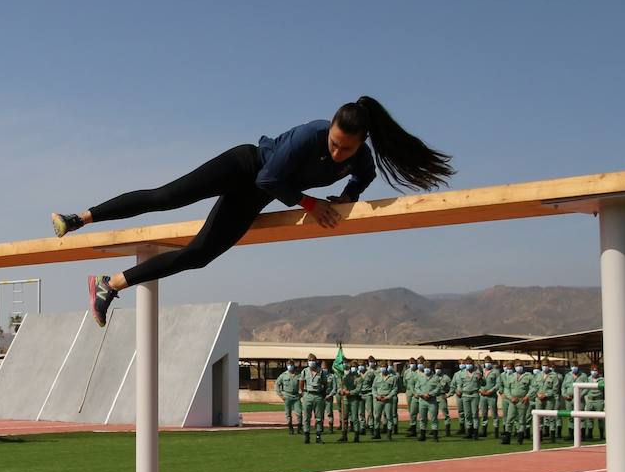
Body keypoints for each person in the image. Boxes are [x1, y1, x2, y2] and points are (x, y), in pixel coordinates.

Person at [50, 96, 454, 327]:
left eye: (345, 148)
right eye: (333, 143)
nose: (336, 152)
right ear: (328, 128)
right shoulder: (308, 135)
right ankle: (78, 218)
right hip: (246, 166)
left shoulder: (359, 158)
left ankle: (110, 284)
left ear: (361, 141)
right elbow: (268, 179)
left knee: (199, 255)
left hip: (256, 196)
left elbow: (361, 178)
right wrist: (311, 203)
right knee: (166, 197)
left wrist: (346, 197)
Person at [299, 354, 330, 444]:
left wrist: (323, 394)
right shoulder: (304, 371)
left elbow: (325, 383)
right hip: (308, 395)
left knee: (319, 417)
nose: (311, 362)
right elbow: (301, 383)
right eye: (309, 360)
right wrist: (303, 393)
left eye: (312, 360)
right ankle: (307, 435)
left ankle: (318, 436)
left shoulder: (321, 372)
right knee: (306, 417)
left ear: (316, 361)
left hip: (318, 396)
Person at [274, 360, 303, 436]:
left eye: (291, 365)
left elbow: (303, 384)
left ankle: (299, 428)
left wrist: (302, 392)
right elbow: (277, 385)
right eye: (288, 365)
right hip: (287, 395)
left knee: (299, 412)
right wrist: (281, 395)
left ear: (294, 365)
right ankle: (290, 428)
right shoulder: (283, 375)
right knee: (288, 413)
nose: (290, 366)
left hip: (296, 396)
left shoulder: (298, 375)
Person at [478, 357, 501, 439]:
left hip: (492, 396)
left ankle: (496, 431)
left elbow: (498, 384)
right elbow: (477, 383)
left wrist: (490, 391)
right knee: (484, 414)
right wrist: (481, 391)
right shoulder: (481, 372)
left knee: (494, 413)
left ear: (491, 363)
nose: (487, 363)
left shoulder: (496, 372)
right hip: (482, 396)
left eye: (489, 362)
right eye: (486, 362)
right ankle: (484, 431)